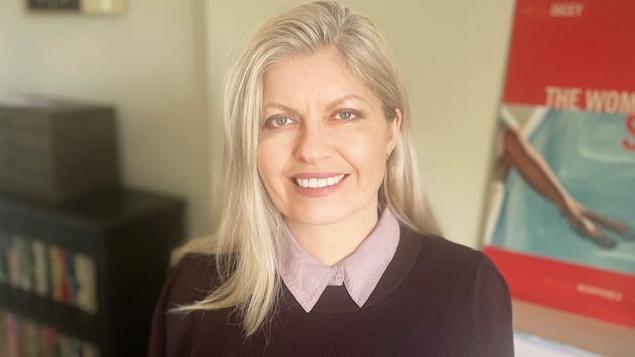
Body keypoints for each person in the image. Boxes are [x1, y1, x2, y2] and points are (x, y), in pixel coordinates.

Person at [148, 1, 514, 356]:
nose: (311, 149)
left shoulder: (470, 290)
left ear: (392, 132)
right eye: (280, 120)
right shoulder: (192, 289)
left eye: (344, 114)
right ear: (250, 144)